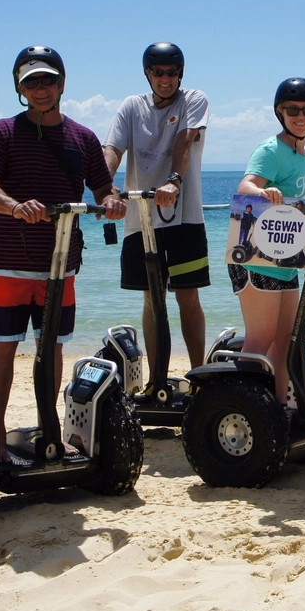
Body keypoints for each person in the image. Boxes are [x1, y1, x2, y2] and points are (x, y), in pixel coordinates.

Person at [0, 45, 125, 465]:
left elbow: (102, 188)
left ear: (62, 83)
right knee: (3, 347)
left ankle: (50, 431)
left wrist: (112, 201)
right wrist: (12, 205)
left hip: (61, 266)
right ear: (20, 88)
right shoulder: (3, 132)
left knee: (52, 349)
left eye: (47, 80)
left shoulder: (82, 138)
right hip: (6, 262)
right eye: (31, 82)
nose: (41, 89)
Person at [104, 42, 210, 382]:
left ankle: (198, 377)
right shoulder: (132, 107)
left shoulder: (192, 99)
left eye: (172, 73)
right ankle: (156, 380)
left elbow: (185, 139)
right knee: (152, 298)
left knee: (186, 296)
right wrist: (105, 188)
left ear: (180, 74)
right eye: (158, 73)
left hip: (185, 216)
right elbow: (112, 149)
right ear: (147, 74)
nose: (165, 79)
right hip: (141, 217)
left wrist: (175, 182)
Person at [231, 77, 305, 404]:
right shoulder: (271, 150)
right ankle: (243, 409)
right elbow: (245, 187)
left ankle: (277, 408)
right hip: (257, 260)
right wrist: (264, 191)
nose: (300, 115)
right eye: (293, 109)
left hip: (289, 264)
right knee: (260, 338)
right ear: (280, 111)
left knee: (285, 339)